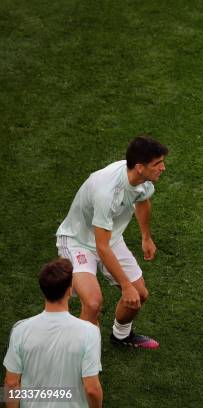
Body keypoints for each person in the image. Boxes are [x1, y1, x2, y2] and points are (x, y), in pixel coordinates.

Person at [56, 135, 167, 348]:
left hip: (109, 238)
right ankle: (79, 358)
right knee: (93, 302)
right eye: (157, 164)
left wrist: (146, 237)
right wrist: (125, 285)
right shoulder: (107, 193)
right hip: (77, 241)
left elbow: (142, 201)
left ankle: (121, 336)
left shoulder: (141, 180)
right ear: (139, 167)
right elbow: (101, 247)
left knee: (140, 295)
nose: (163, 168)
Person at [3, 258, 103, 408]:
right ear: (70, 290)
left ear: (43, 291)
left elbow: (11, 383)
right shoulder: (90, 332)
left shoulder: (20, 330)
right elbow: (92, 389)